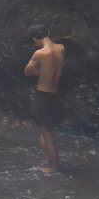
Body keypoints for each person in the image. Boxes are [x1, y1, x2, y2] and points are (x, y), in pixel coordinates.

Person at [24, 28, 65, 173]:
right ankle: (49, 159)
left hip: (43, 96)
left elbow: (27, 71)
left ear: (36, 38)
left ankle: (53, 166)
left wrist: (37, 71)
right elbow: (54, 68)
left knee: (47, 134)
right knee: (45, 130)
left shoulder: (40, 53)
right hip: (55, 95)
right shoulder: (61, 48)